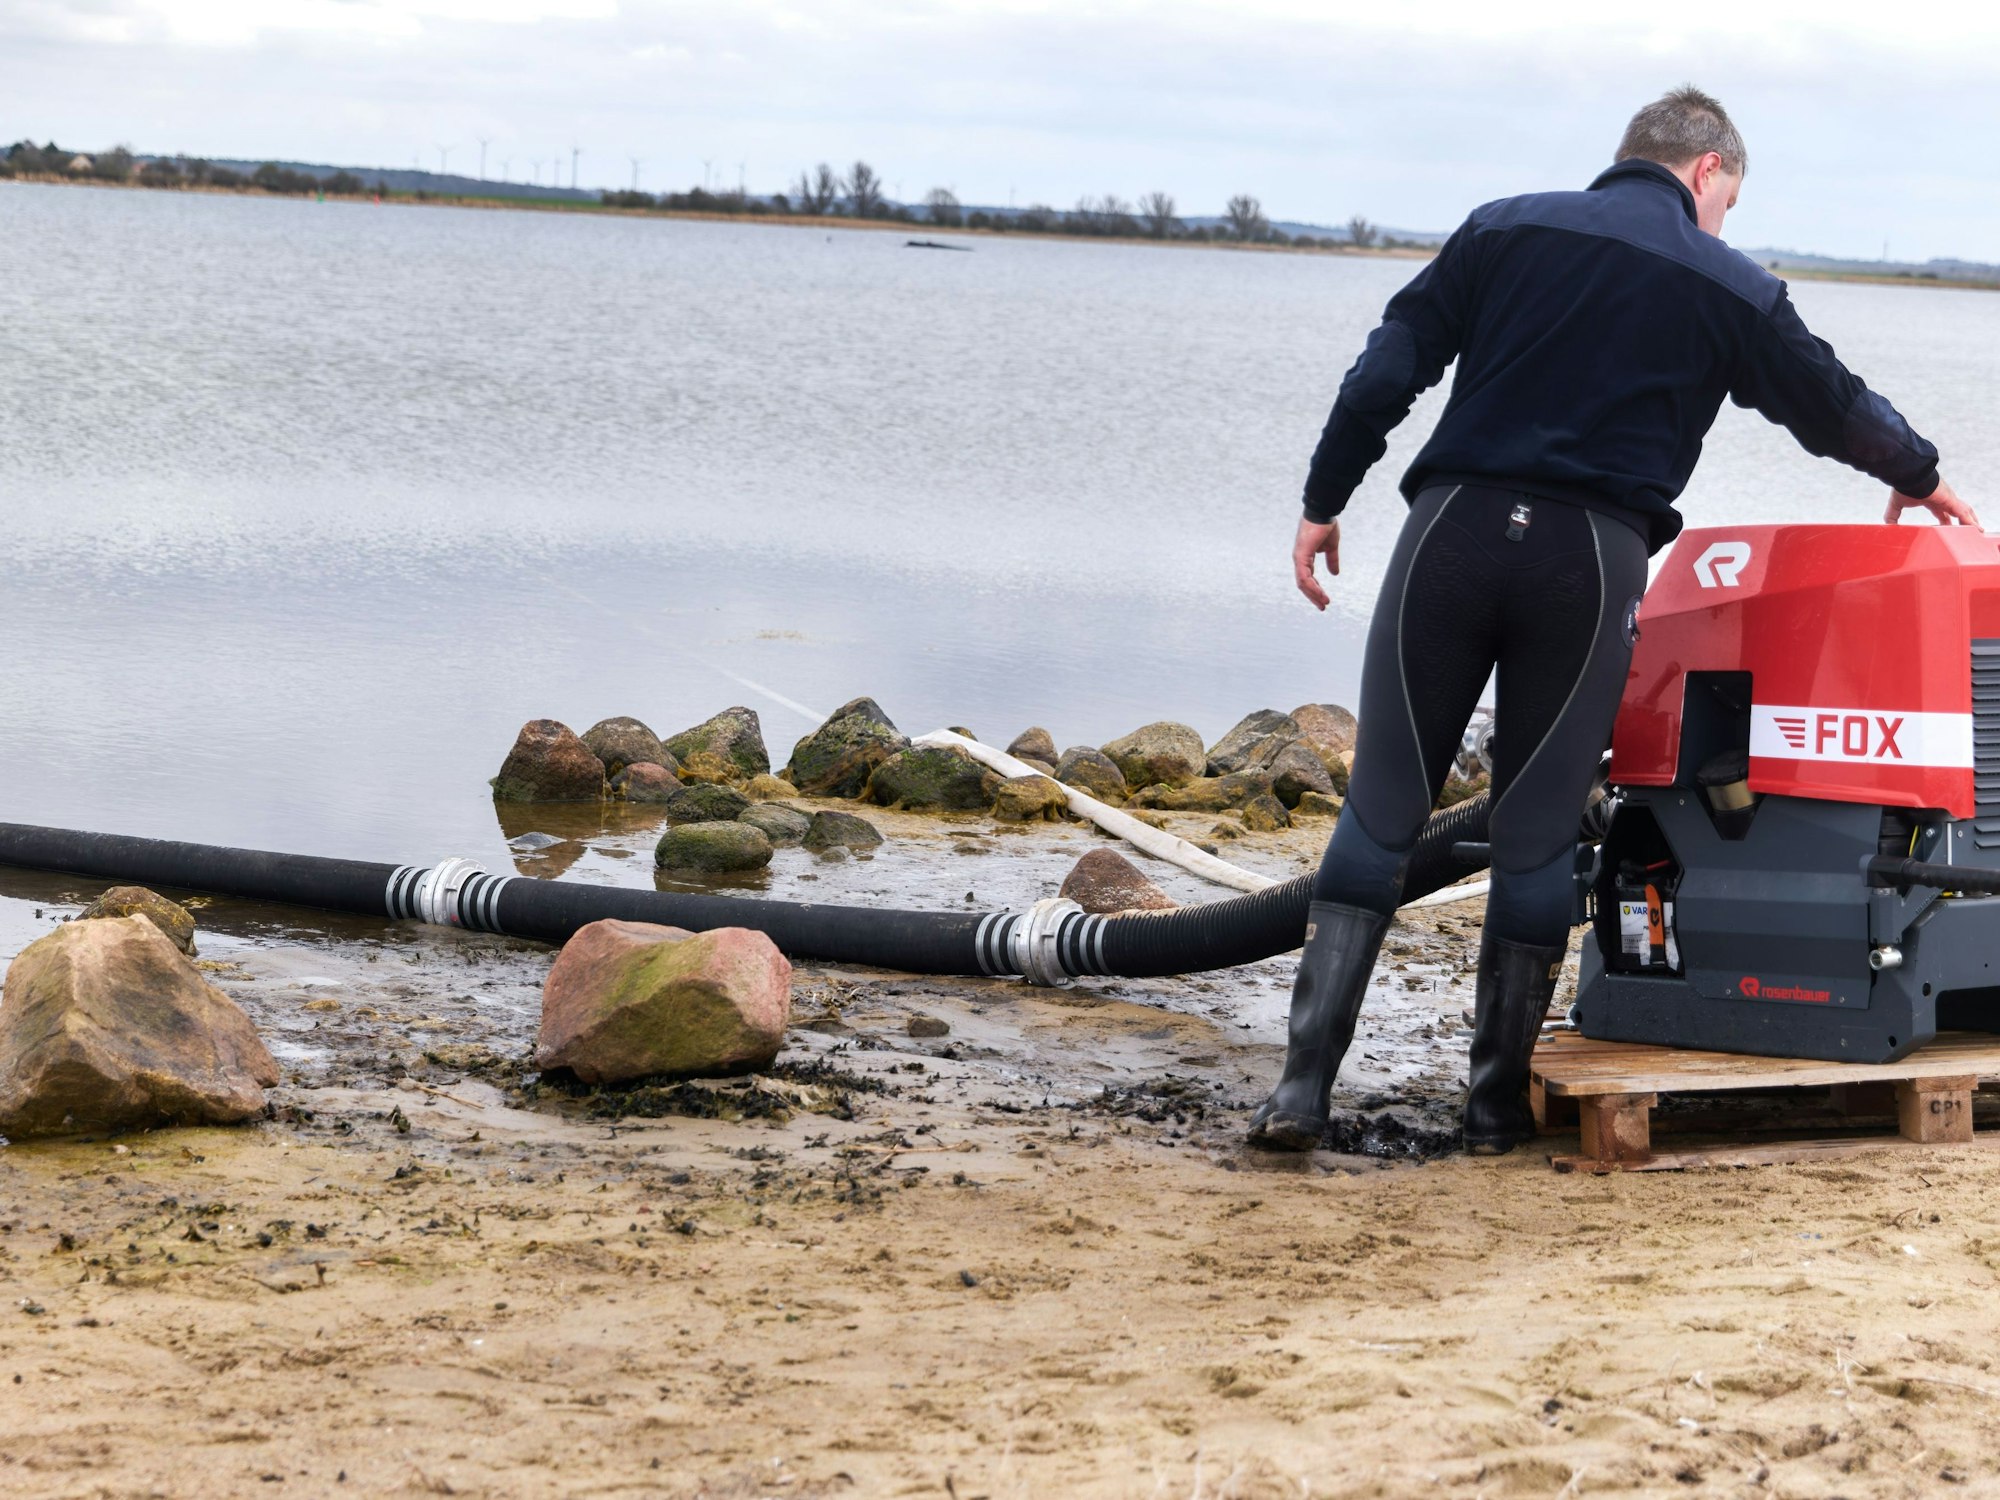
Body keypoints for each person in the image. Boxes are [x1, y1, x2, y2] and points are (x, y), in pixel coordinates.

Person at [1250, 86, 1979, 1156]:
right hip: (1586, 561)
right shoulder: (1726, 282)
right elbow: (1825, 402)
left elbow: (1384, 372)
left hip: (1446, 535)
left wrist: (1323, 500)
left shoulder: (1502, 226)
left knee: (1378, 813)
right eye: (1726, 200)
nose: (1722, 222)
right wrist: (1917, 473)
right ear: (1704, 173)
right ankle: (1491, 1109)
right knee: (1535, 835)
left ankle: (1299, 1096)